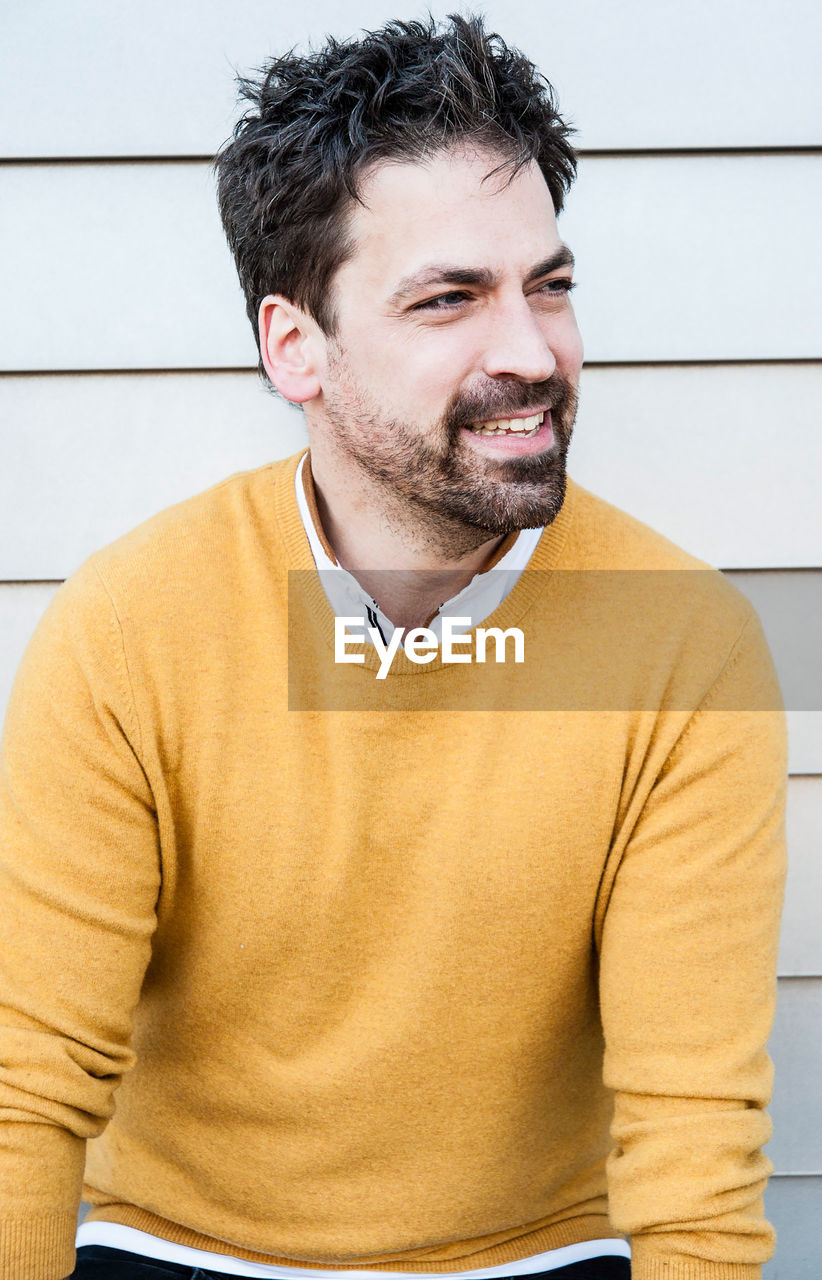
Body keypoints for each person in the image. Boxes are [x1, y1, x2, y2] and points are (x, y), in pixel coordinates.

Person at [0, 14, 787, 1280]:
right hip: (182, 1244)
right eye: (448, 299)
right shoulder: (128, 627)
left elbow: (694, 1148)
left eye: (552, 284)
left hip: (531, 1254)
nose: (533, 352)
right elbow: (22, 1095)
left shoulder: (686, 645)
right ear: (293, 347)